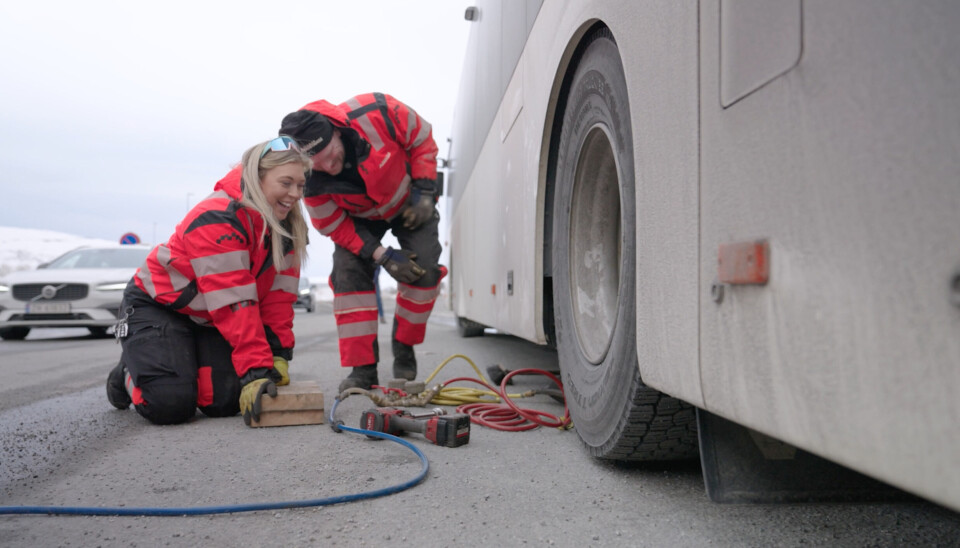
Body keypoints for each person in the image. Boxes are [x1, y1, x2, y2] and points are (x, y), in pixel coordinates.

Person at [105, 137, 312, 425]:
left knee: (226, 401)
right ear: (258, 178)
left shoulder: (286, 227)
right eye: (286, 183)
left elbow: (279, 297)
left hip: (206, 316)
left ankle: (170, 365)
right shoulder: (217, 217)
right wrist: (255, 371)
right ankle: (128, 373)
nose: (295, 194)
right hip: (159, 305)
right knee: (171, 403)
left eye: (301, 185)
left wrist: (278, 355)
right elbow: (233, 300)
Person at [278, 93, 447, 393]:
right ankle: (363, 369)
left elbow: (421, 137)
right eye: (318, 166)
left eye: (331, 157)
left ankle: (404, 345)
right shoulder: (310, 181)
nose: (329, 168)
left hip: (409, 199)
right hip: (359, 218)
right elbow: (332, 223)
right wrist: (380, 254)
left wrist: (423, 189)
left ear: (338, 132)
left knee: (425, 271)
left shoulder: (377, 111)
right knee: (346, 272)